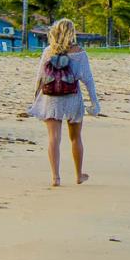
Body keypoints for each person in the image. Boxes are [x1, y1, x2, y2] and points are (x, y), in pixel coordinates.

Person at [28, 18, 101, 187]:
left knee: (53, 138)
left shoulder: (48, 51)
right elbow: (88, 80)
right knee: (75, 138)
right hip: (72, 99)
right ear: (72, 32)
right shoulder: (80, 53)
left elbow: (40, 78)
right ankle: (78, 175)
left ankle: (55, 177)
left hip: (50, 99)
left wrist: (35, 100)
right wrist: (94, 103)